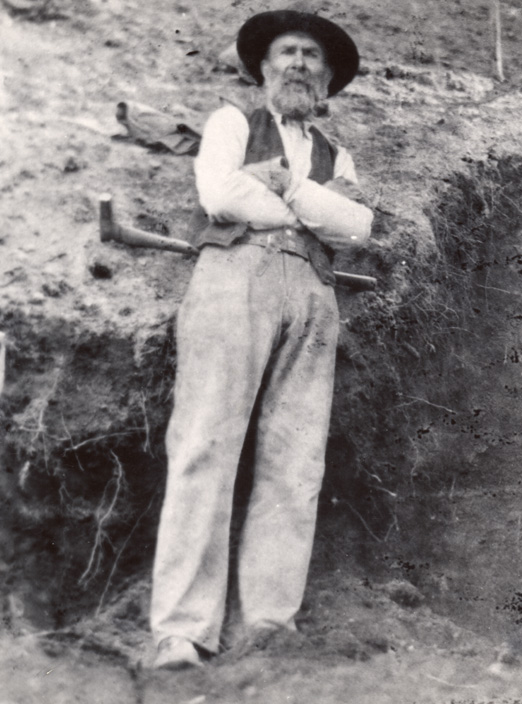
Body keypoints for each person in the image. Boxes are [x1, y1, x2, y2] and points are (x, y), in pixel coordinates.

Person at [149, 10, 374, 669]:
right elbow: (222, 196)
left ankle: (270, 622)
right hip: (233, 277)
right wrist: (313, 206)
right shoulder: (230, 123)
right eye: (287, 53)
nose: (299, 63)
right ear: (264, 68)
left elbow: (356, 228)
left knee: (296, 460)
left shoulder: (338, 155)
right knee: (203, 445)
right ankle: (182, 630)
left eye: (311, 55)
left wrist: (288, 187)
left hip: (312, 290)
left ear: (327, 77)